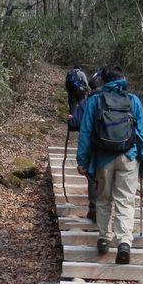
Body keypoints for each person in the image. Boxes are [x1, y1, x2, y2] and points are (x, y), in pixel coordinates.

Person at [75, 65, 143, 264]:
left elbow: (85, 133)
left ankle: (104, 238)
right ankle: (124, 242)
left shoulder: (94, 101)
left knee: (103, 199)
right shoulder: (133, 101)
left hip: (103, 158)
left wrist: (82, 160)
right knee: (125, 200)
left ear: (104, 81)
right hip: (129, 157)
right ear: (123, 79)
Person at [65, 65, 93, 219]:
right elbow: (86, 83)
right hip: (80, 91)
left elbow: (66, 85)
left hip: (71, 91)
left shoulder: (69, 73)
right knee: (82, 104)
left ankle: (73, 115)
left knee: (73, 104)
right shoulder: (81, 73)